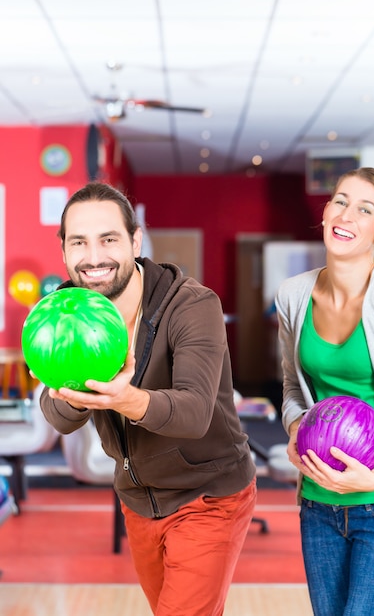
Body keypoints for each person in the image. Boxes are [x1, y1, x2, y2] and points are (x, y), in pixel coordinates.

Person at [39, 181, 257, 616]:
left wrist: (124, 399)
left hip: (207, 495)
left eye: (109, 239)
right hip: (139, 503)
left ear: (135, 242)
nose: (94, 256)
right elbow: (57, 414)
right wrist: (77, 398)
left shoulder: (192, 306)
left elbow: (194, 413)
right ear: (63, 250)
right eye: (79, 241)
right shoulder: (66, 311)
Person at [275, 167, 374, 616]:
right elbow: (293, 388)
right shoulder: (293, 294)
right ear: (324, 212)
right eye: (340, 200)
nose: (347, 214)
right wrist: (296, 429)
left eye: (365, 208)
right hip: (319, 503)